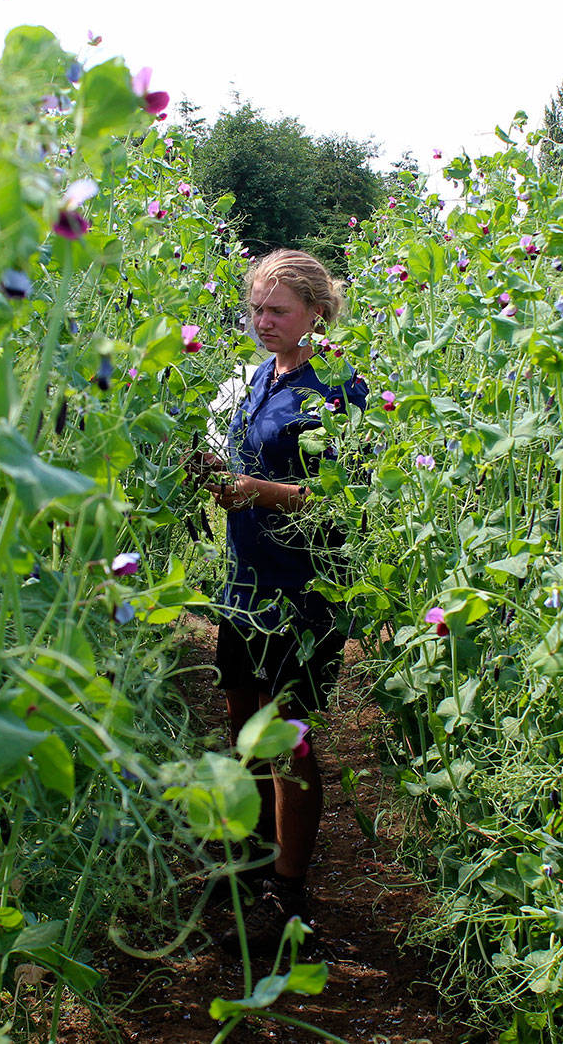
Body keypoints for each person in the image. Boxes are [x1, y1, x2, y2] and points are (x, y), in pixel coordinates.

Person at [203, 248, 368, 953]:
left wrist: (257, 490)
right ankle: (246, 862)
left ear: (315, 314)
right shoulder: (258, 379)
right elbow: (245, 462)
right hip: (243, 582)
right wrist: (214, 473)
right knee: (242, 722)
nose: (262, 321)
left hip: (302, 591)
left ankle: (289, 888)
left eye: (278, 311)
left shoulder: (338, 388)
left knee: (288, 739)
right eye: (257, 309)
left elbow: (345, 498)